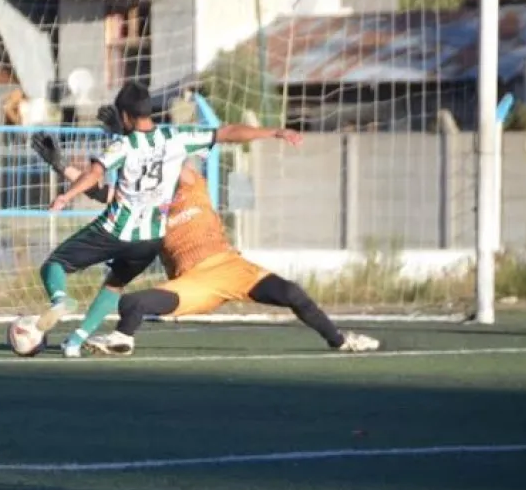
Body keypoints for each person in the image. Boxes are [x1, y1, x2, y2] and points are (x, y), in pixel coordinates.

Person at [30, 121, 381, 358]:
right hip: (195, 281)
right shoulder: (145, 203)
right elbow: (99, 191)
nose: (187, 165)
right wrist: (62, 166)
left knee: (292, 293)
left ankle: (339, 339)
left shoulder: (192, 183)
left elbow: (165, 159)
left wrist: (125, 134)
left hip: (232, 266)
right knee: (132, 304)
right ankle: (122, 338)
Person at [33, 81, 305, 358]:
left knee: (56, 264)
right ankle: (75, 342)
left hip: (116, 230)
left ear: (125, 116)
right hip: (149, 242)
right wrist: (275, 131)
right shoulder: (177, 140)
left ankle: (60, 300)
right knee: (115, 284)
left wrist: (65, 195)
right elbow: (228, 132)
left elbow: (96, 180)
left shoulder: (124, 146)